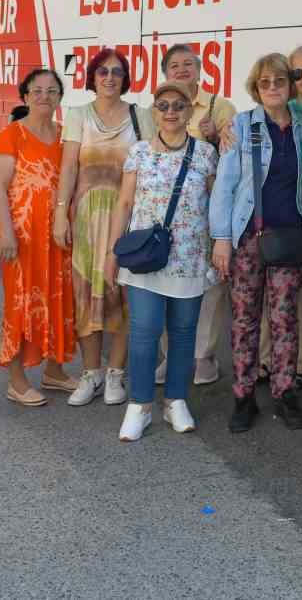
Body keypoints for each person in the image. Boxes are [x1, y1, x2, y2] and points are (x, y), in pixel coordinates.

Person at [104, 80, 218, 440]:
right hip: (145, 259)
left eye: (178, 106)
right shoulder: (138, 153)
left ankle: (176, 401)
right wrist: (111, 254)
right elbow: (124, 204)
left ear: (189, 112)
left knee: (184, 334)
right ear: (154, 112)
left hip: (190, 257)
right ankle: (139, 406)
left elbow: (214, 205)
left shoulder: (204, 154)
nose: (171, 112)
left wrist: (218, 248)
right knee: (144, 332)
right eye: (163, 106)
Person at [209, 52, 302, 433]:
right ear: (256, 88)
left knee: (285, 317)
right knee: (244, 318)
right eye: (265, 82)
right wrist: (221, 239)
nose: (272, 88)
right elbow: (225, 185)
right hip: (248, 237)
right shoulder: (242, 125)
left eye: (279, 81)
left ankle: (285, 393)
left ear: (289, 86)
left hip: (289, 235)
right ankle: (244, 395)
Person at [51, 48, 152, 406]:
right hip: (85, 218)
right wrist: (60, 212)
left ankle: (115, 374)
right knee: (84, 296)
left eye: (117, 71)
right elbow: (68, 168)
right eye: (103, 71)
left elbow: (152, 166)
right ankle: (90, 372)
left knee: (121, 295)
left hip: (127, 218)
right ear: (92, 77)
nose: (110, 77)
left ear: (125, 78)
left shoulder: (142, 115)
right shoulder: (78, 114)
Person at [0, 67, 77, 405]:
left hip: (58, 234)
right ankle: (16, 380)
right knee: (21, 304)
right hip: (23, 236)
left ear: (60, 97)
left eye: (51, 90)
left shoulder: (65, 135)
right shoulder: (12, 134)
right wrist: (5, 232)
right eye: (37, 90)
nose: (44, 96)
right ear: (25, 96)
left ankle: (54, 371)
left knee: (59, 297)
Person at [160, 44, 236, 386]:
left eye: (188, 64)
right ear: (165, 72)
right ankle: (170, 355)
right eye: (174, 65)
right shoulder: (156, 107)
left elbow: (234, 160)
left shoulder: (221, 107)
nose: (181, 70)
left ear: (200, 68)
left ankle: (203, 357)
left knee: (210, 285)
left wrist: (215, 135)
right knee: (163, 282)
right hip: (165, 214)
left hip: (207, 211)